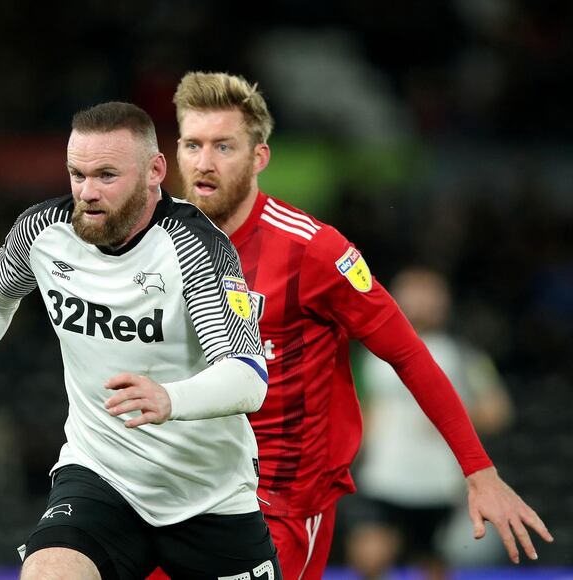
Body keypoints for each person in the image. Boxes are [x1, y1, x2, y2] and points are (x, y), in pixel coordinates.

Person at [169, 71, 553, 579]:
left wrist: (479, 471)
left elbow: (410, 354)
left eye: (224, 146)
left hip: (277, 505)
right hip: (176, 493)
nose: (205, 162)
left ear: (259, 157)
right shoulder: (155, 245)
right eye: (193, 145)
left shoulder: (316, 250)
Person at [0, 101, 282, 579]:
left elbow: (247, 377)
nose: (87, 193)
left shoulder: (195, 246)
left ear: (155, 170)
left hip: (208, 493)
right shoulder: (42, 232)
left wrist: (169, 398)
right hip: (100, 478)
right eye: (77, 175)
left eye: (106, 176)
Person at [345, 267, 515, 579]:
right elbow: (361, 409)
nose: (421, 301)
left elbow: (497, 410)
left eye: (429, 292)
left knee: (434, 564)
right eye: (413, 291)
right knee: (370, 556)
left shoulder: (466, 355)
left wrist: (449, 418)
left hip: (439, 482)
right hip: (383, 475)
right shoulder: (369, 354)